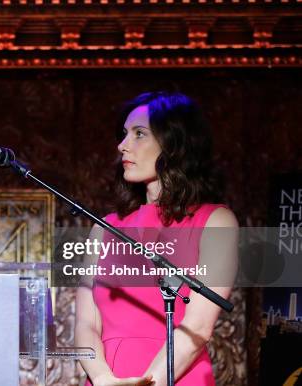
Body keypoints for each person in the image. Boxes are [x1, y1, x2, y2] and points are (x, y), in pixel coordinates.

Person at [74, 92, 239, 386]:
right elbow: (86, 324)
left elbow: (198, 325)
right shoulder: (104, 228)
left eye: (139, 134)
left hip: (176, 377)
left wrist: (149, 383)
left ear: (175, 145)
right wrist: (101, 379)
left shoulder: (216, 221)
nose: (122, 145)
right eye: (124, 135)